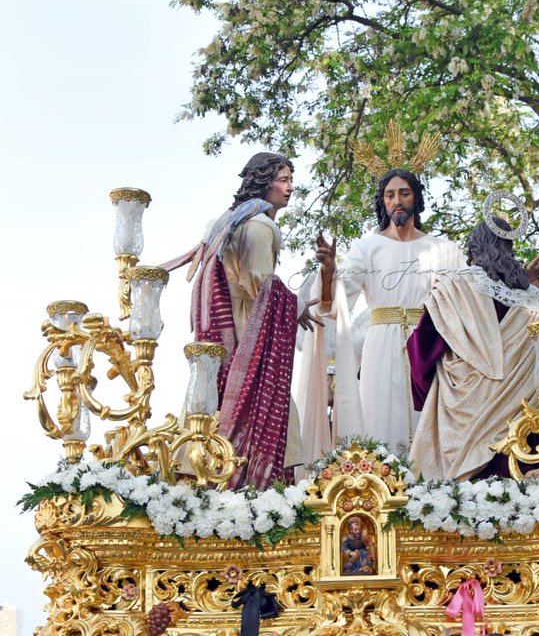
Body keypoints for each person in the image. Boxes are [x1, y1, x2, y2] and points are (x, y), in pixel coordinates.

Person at [167, 151, 319, 487]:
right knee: (260, 417)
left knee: (208, 412)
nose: (289, 187)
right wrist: (296, 307)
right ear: (263, 182)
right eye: (283, 180)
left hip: (229, 337)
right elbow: (261, 287)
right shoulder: (258, 227)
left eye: (291, 180)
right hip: (247, 340)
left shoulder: (231, 222)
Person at [300, 168, 465, 456]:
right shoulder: (367, 247)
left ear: (416, 198)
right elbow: (336, 303)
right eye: (390, 195)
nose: (397, 201)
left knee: (430, 412)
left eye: (404, 193)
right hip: (381, 343)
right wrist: (329, 271)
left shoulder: (443, 249)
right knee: (380, 414)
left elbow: (468, 296)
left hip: (427, 342)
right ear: (383, 202)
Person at [407, 217, 539, 481]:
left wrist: (425, 390)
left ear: (473, 251)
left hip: (460, 423)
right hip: (522, 441)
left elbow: (421, 354)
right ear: (509, 250)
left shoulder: (453, 288)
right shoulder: (534, 304)